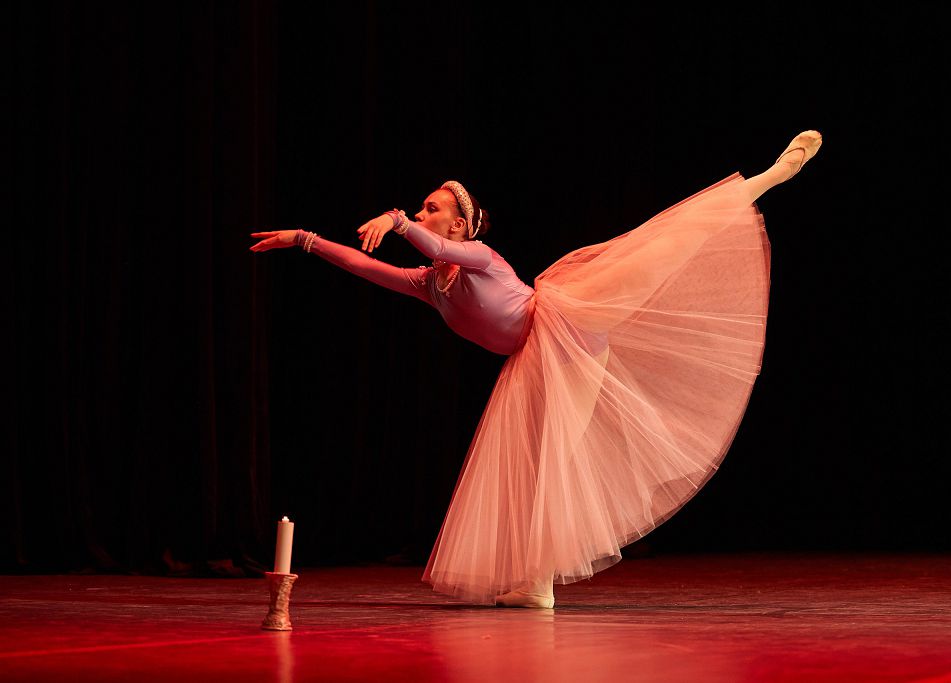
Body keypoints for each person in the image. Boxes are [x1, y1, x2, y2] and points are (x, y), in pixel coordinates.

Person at [250, 131, 823, 609]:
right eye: (421, 209)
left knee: (657, 248)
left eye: (432, 210)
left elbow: (438, 249)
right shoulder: (431, 285)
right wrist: (305, 240)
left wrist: (399, 222)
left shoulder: (477, 256)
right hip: (538, 358)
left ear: (459, 225)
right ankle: (538, 584)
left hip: (570, 322)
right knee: (540, 468)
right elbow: (366, 267)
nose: (423, 214)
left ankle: (766, 179)